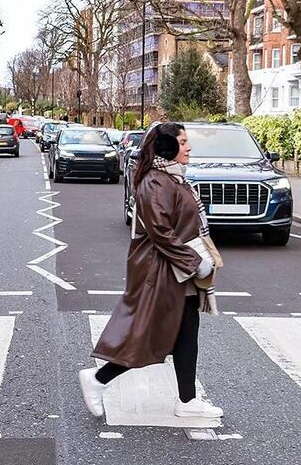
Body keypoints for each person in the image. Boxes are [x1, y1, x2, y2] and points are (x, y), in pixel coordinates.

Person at [78, 122, 223, 420]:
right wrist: (195, 262)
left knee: (186, 333)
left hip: (176, 270)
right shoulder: (157, 182)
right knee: (146, 336)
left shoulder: (174, 178)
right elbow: (160, 231)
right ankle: (97, 379)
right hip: (161, 271)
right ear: (167, 148)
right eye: (183, 142)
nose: (189, 147)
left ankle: (187, 400)